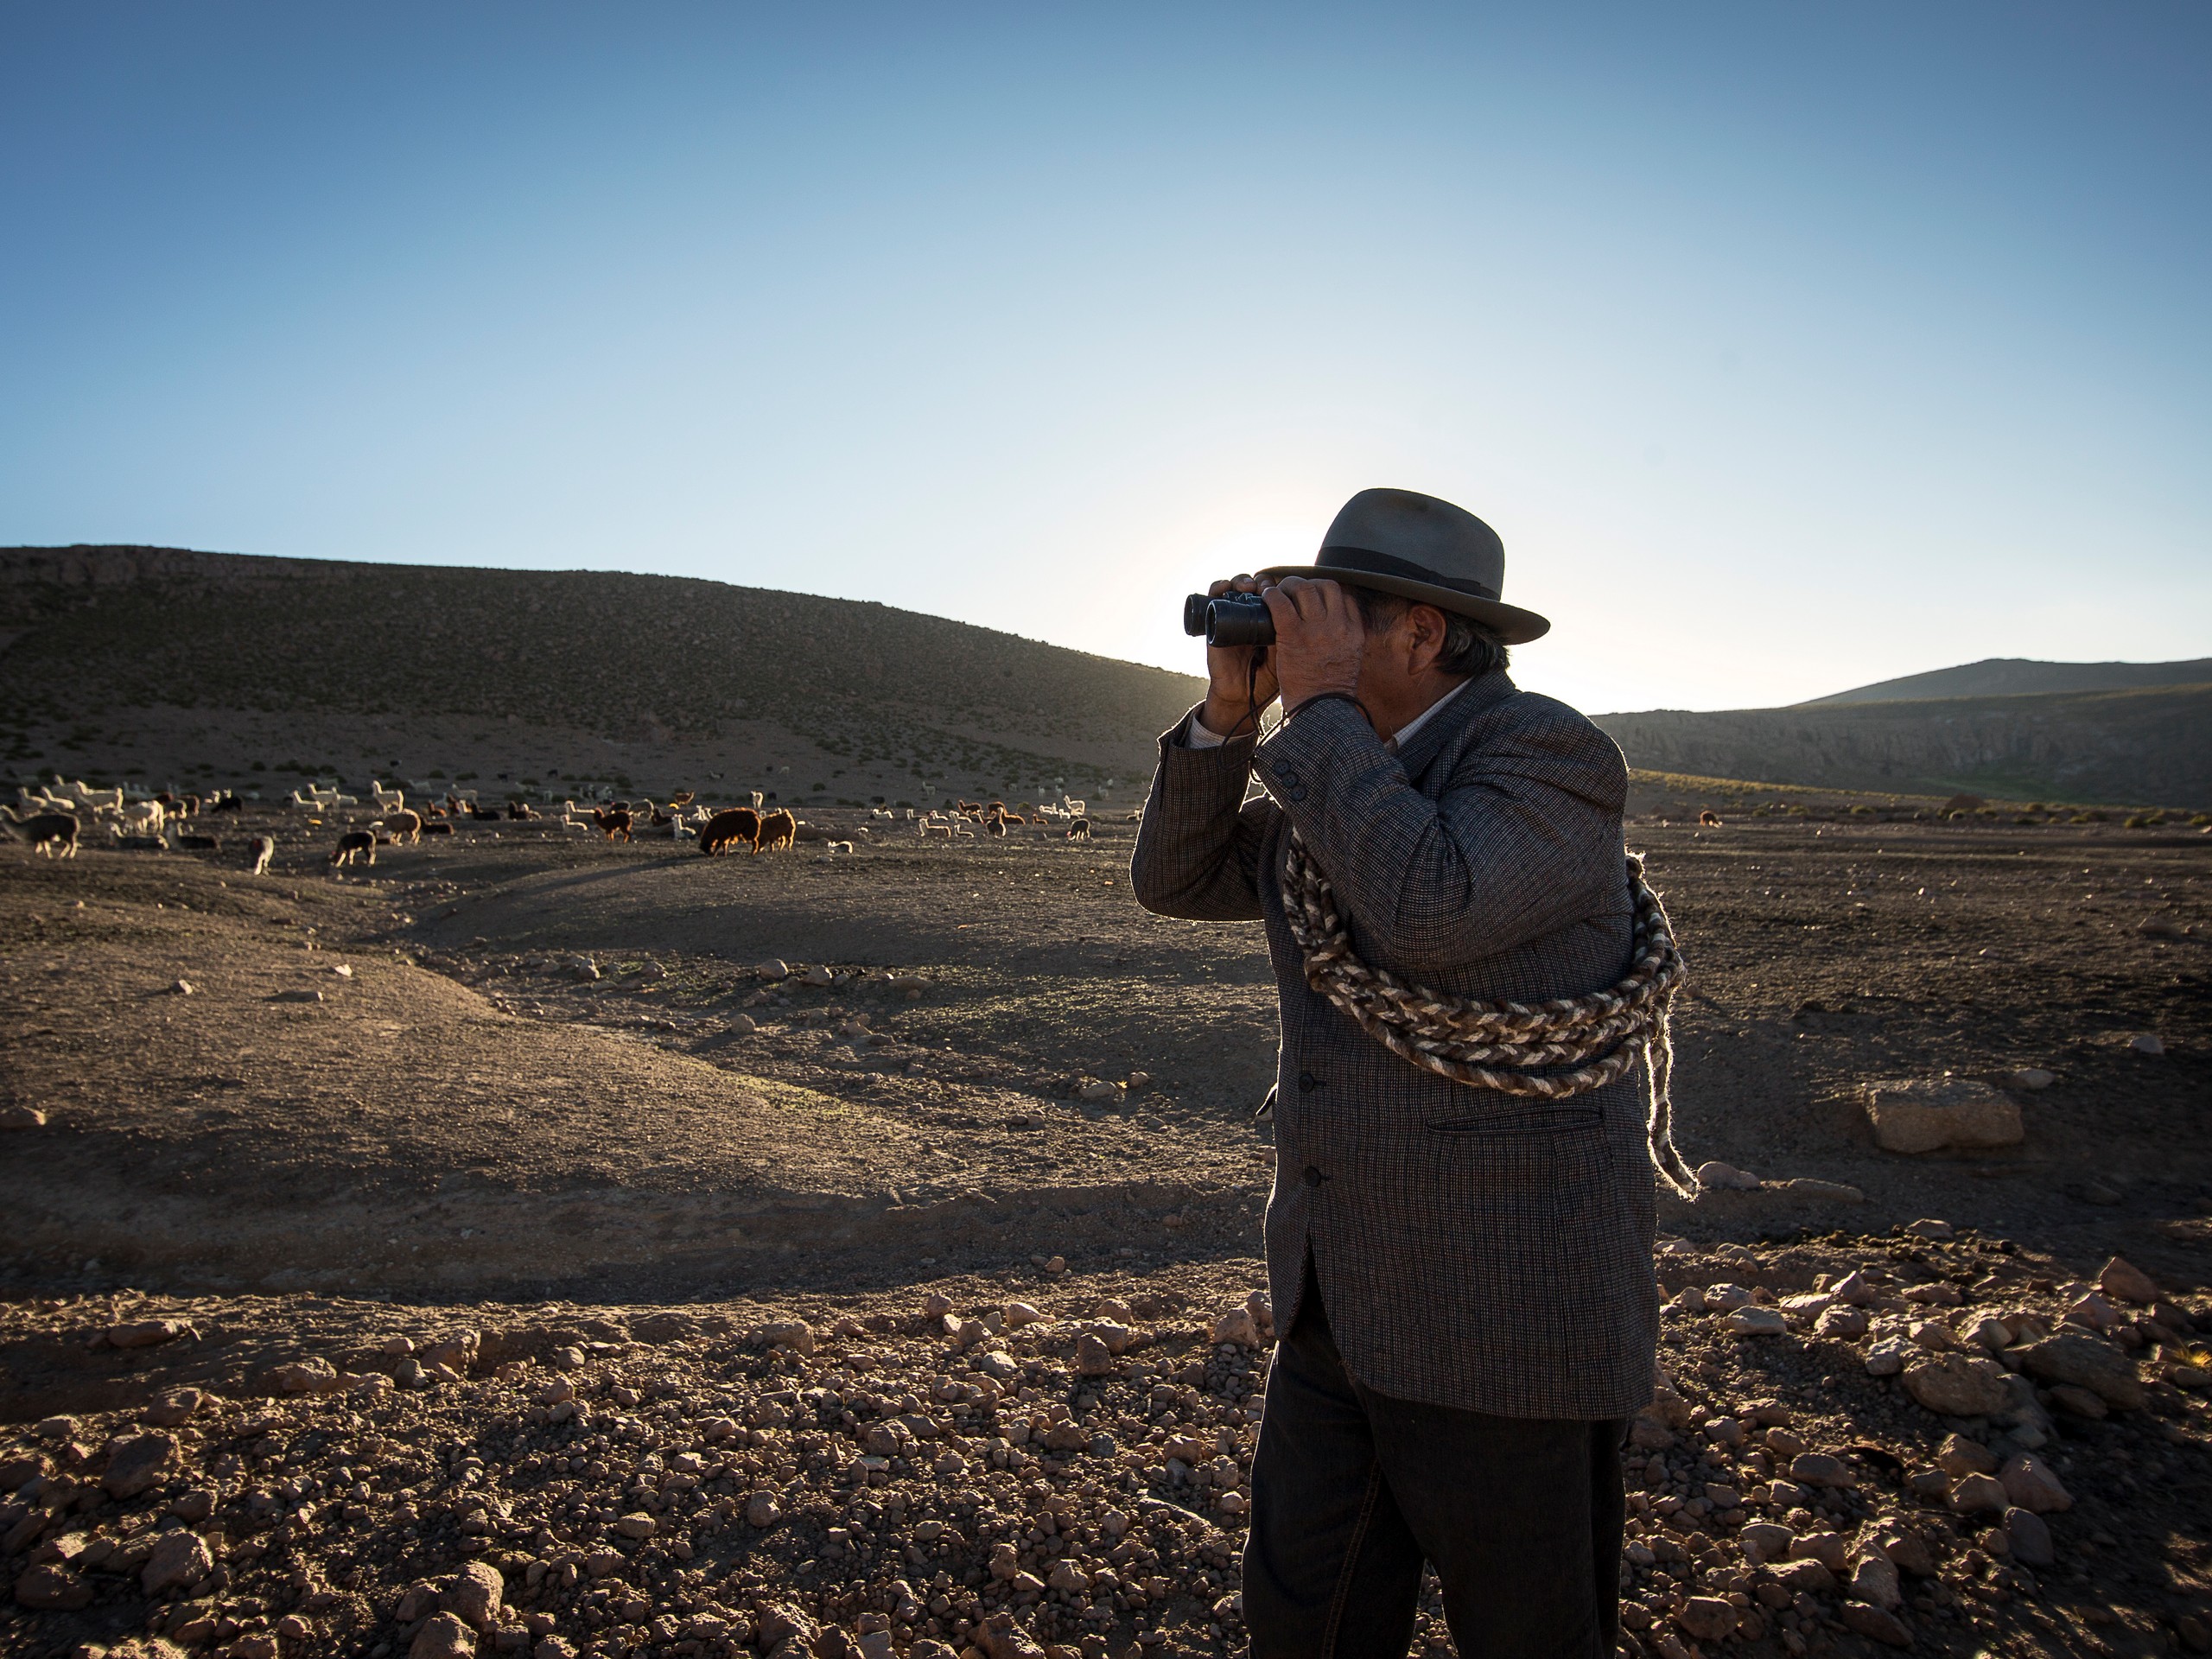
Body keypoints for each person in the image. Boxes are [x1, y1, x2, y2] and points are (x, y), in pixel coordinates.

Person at [1131, 487, 1670, 1659]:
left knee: (1528, 1635)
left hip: (1504, 1323)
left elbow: (1432, 905)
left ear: (1424, 632)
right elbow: (1180, 882)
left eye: (1331, 615)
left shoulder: (1547, 756)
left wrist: (1315, 711)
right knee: (1304, 1625)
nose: (1298, 639)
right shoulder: (1340, 762)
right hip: (1336, 1302)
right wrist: (1231, 718)